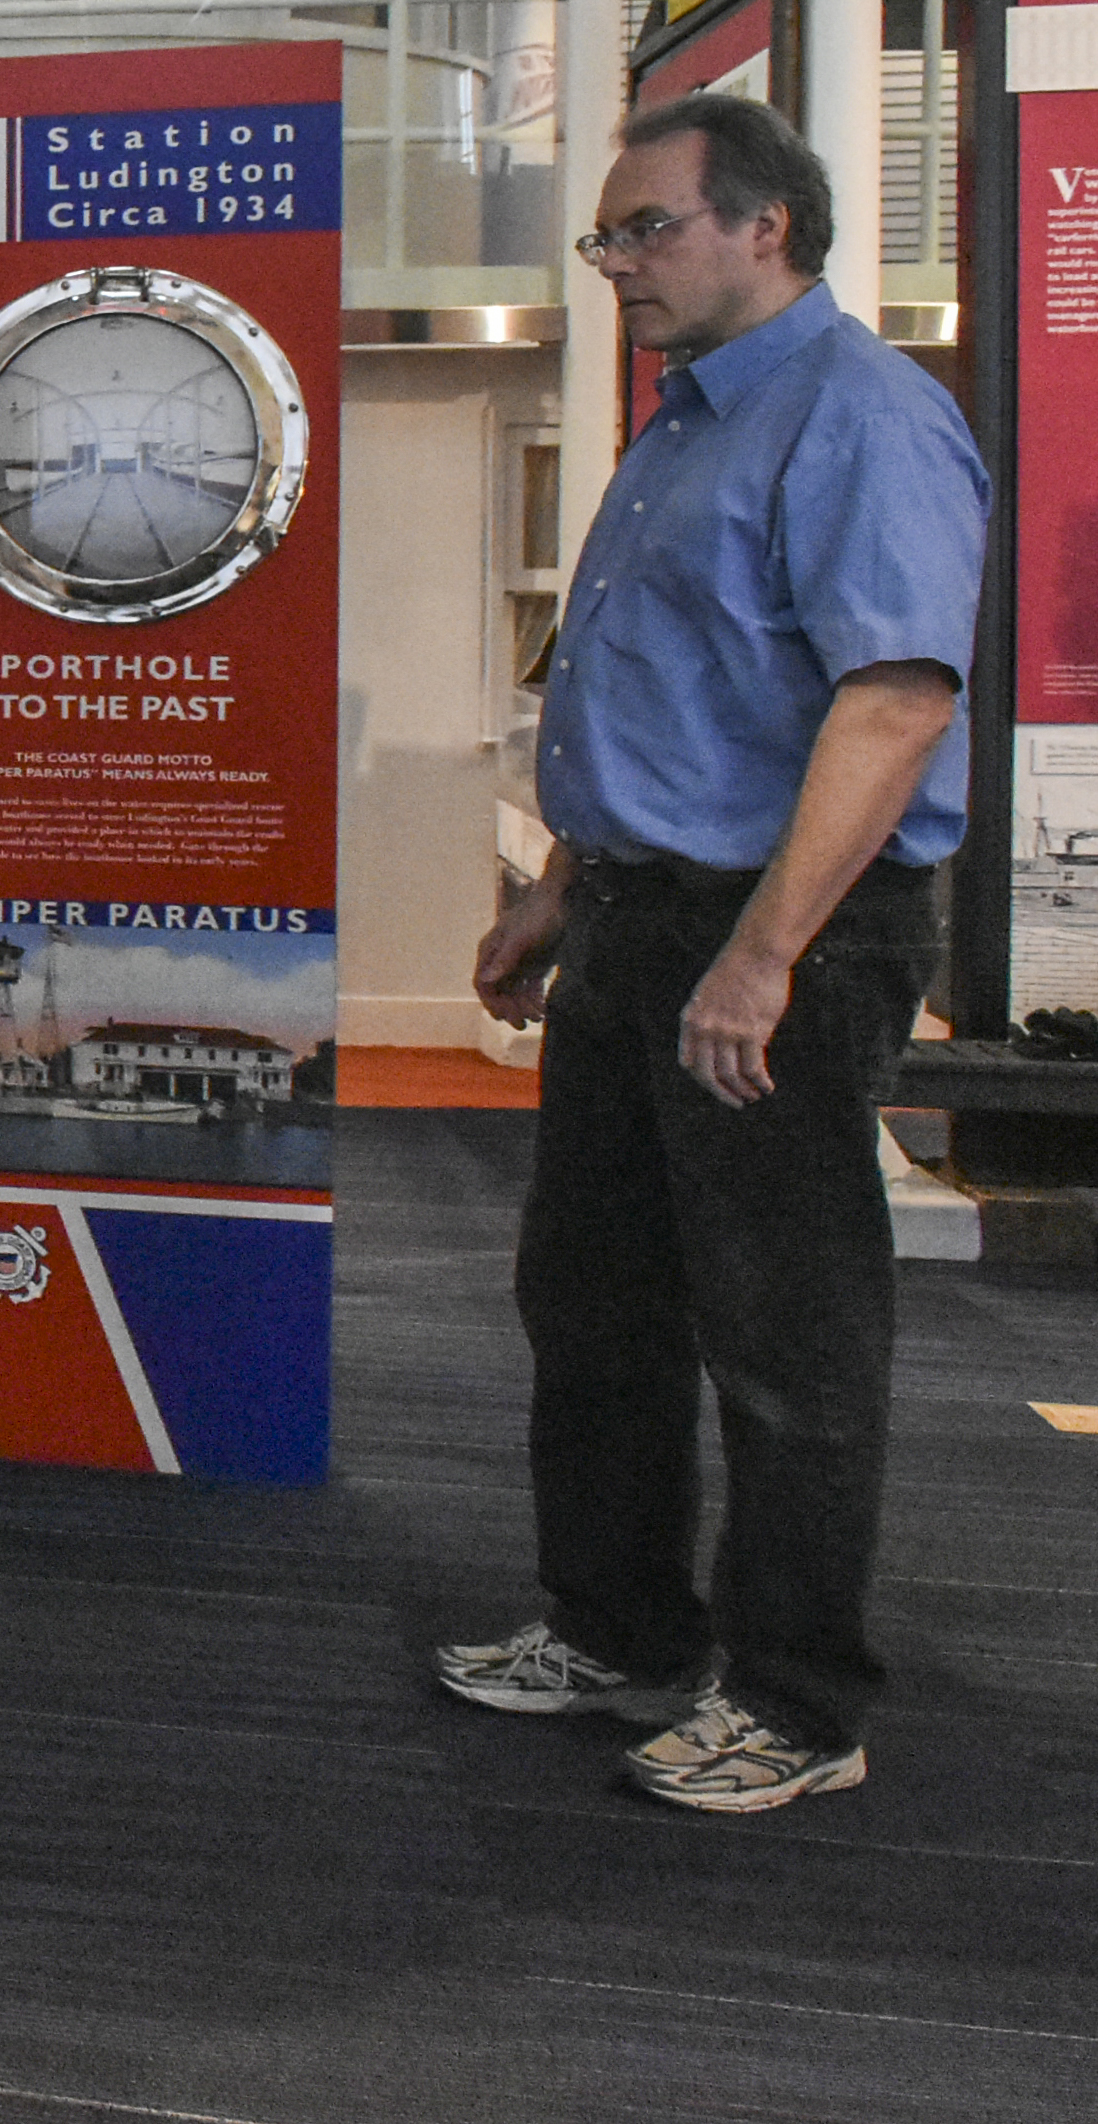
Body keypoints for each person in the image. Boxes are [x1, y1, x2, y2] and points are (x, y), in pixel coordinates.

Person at [443, 92, 985, 1814]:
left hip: (784, 933)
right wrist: (565, 882)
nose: (616, 264)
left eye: (643, 229)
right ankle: (618, 1632)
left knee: (786, 1329)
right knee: (593, 1294)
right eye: (608, 237)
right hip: (643, 909)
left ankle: (802, 1703)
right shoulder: (690, 419)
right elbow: (677, 686)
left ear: (769, 224)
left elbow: (892, 703)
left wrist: (763, 956)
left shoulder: (864, 418)